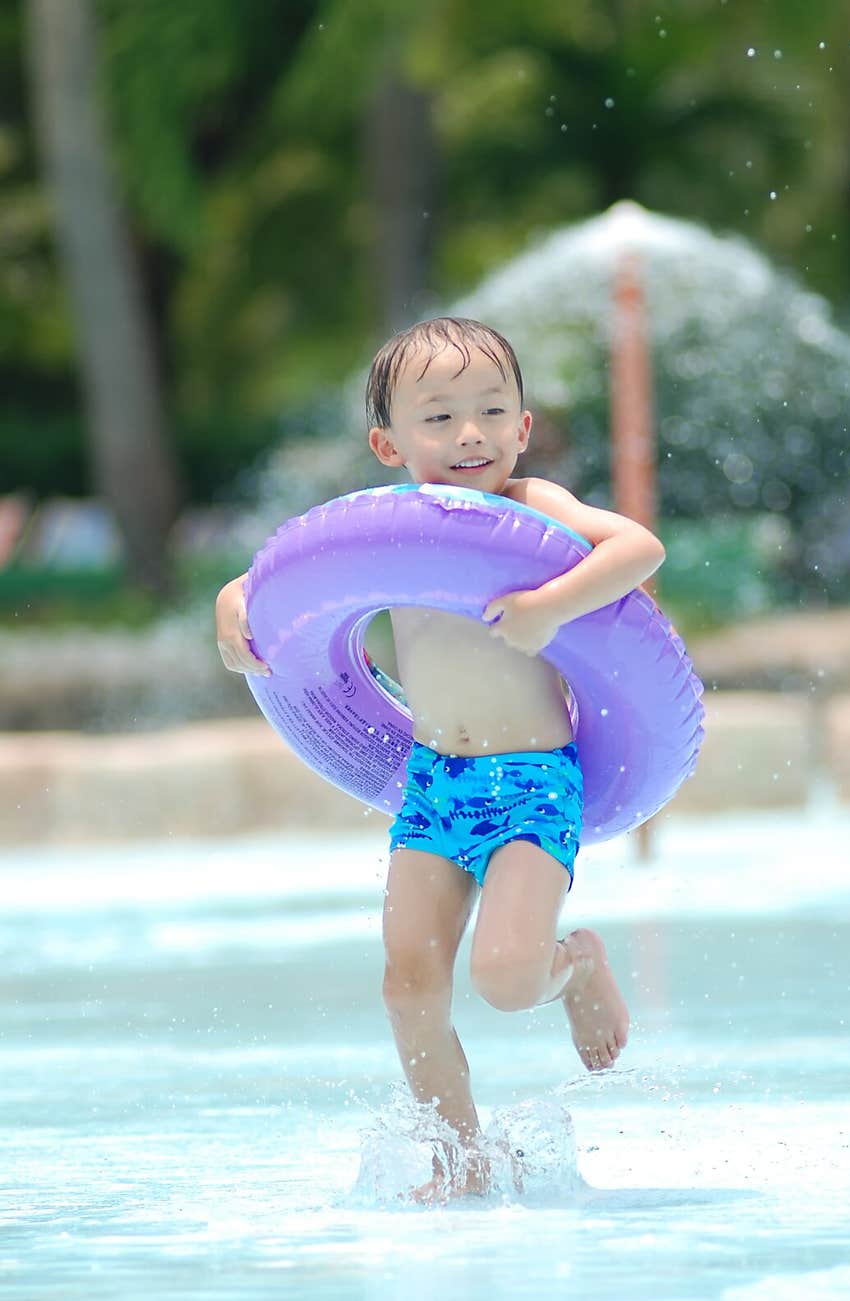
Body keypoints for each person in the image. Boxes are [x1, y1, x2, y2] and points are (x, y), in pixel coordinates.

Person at [216, 317, 665, 1202]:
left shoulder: (536, 506)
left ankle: (574, 965)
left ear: (524, 426)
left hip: (534, 781)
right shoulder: (384, 528)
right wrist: (232, 608)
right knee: (408, 981)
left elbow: (639, 548)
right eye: (441, 416)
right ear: (389, 441)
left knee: (503, 978)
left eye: (494, 410)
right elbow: (278, 581)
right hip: (434, 784)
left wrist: (551, 605)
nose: (471, 433)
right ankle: (462, 1158)